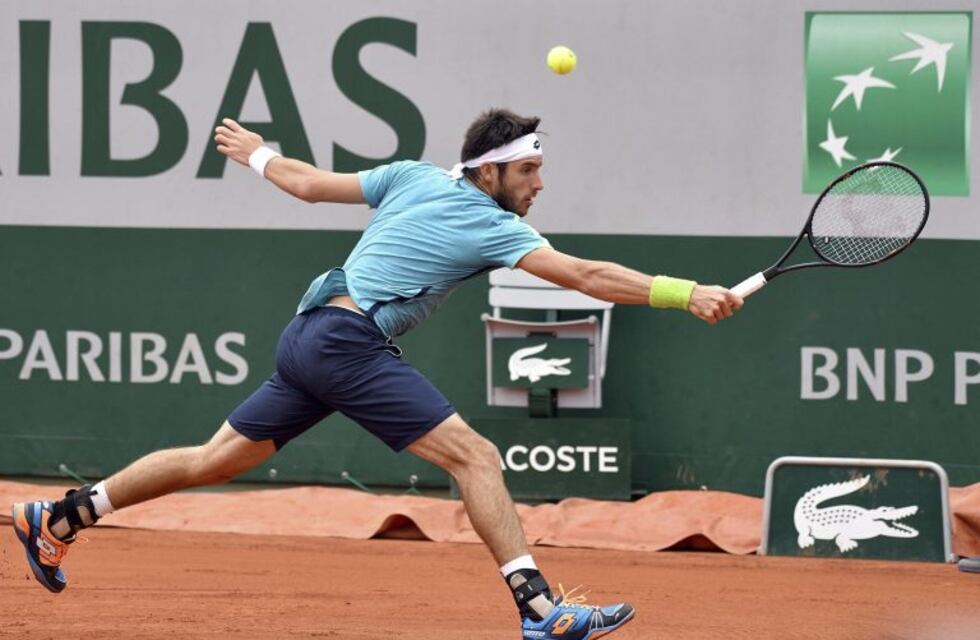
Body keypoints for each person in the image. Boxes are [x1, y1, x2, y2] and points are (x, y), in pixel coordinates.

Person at [12, 108, 741, 640]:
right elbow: (583, 273)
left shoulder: (412, 176)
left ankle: (62, 515)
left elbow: (302, 183)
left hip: (308, 334)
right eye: (528, 169)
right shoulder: (493, 224)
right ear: (489, 170)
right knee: (476, 457)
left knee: (213, 460)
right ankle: (541, 611)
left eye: (540, 169)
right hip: (345, 343)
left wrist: (259, 153)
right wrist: (684, 292)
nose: (539, 183)